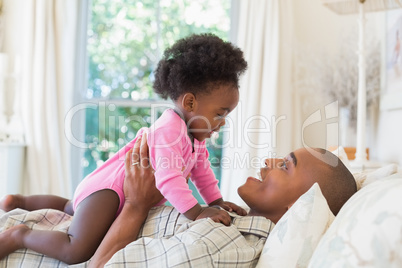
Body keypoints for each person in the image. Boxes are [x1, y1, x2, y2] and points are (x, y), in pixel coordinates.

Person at [0, 33, 248, 264]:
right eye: (220, 113)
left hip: (107, 190)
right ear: (191, 102)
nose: (223, 121)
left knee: (71, 208)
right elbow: (169, 180)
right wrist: (197, 212)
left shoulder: (195, 138)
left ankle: (21, 201)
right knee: (76, 249)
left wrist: (216, 201)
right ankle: (19, 235)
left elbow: (202, 173)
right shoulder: (170, 129)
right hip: (110, 192)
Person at [88, 136, 357, 267]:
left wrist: (136, 204)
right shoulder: (228, 221)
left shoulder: (220, 245)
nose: (268, 161)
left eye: (286, 166)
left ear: (299, 205)